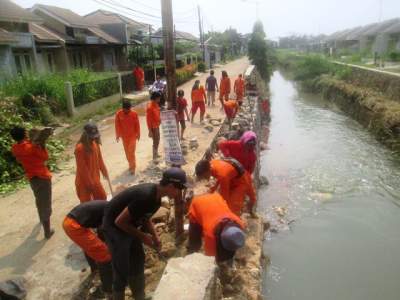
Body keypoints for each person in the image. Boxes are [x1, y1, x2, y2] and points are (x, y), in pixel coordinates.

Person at [102, 168, 189, 300]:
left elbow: (145, 217)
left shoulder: (157, 199)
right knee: (122, 266)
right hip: (114, 228)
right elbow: (119, 221)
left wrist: (155, 236)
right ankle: (117, 295)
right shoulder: (146, 195)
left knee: (138, 258)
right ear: (171, 186)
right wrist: (143, 236)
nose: (179, 193)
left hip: (129, 224)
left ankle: (139, 295)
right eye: (179, 189)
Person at [10, 126, 54, 239]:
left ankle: (41, 219)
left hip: (31, 178)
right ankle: (47, 231)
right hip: (42, 177)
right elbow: (45, 157)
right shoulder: (32, 147)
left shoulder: (15, 148)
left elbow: (19, 159)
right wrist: (41, 144)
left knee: (39, 199)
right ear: (25, 134)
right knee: (45, 203)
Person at [63, 200, 113, 299]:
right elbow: (105, 230)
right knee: (104, 255)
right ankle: (109, 289)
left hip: (72, 222)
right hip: (74, 226)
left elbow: (102, 231)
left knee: (92, 246)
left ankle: (95, 268)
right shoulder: (113, 211)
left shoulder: (110, 207)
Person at [187, 192, 245, 263]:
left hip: (215, 198)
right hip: (197, 204)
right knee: (195, 243)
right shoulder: (210, 232)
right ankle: (190, 256)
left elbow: (234, 242)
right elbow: (210, 257)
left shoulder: (240, 224)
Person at [75, 122, 109, 202]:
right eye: (91, 137)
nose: (93, 138)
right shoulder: (80, 149)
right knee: (87, 205)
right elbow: (83, 169)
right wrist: (90, 184)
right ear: (85, 135)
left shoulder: (95, 144)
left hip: (95, 180)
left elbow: (100, 159)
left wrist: (104, 171)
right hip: (83, 183)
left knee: (103, 198)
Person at [115, 100, 140, 175]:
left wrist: (138, 134)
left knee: (131, 152)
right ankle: (130, 164)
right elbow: (117, 125)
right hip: (124, 137)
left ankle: (133, 167)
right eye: (125, 110)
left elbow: (137, 124)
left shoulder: (134, 114)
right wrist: (118, 135)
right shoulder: (119, 114)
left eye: (128, 110)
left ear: (130, 108)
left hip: (132, 136)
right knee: (127, 153)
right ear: (123, 109)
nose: (127, 111)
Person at [146, 91, 161, 160]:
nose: (159, 99)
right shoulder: (150, 107)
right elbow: (148, 120)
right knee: (156, 140)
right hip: (153, 126)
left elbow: (158, 114)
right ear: (155, 98)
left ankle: (156, 153)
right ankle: (154, 156)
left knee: (157, 139)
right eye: (159, 98)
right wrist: (150, 131)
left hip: (157, 125)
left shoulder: (156, 104)